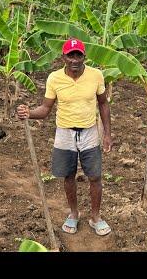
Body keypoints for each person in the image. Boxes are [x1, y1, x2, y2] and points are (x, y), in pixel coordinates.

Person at [17, 38, 113, 236]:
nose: (75, 60)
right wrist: (29, 113)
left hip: (89, 132)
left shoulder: (96, 75)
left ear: (84, 57)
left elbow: (103, 104)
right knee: (68, 175)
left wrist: (107, 134)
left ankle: (96, 217)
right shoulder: (54, 78)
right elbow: (45, 108)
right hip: (64, 132)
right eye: (71, 55)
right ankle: (74, 214)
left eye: (78, 55)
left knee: (95, 176)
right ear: (63, 57)